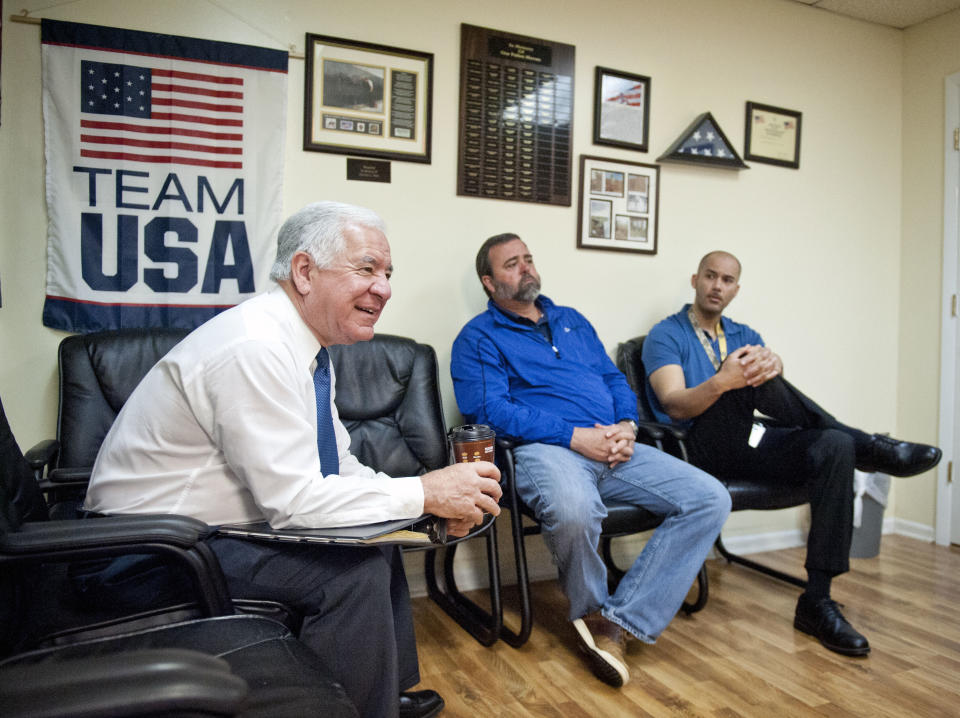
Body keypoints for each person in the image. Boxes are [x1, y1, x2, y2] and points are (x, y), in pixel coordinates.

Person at [84, 201, 502, 718]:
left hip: (210, 530)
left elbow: (338, 467)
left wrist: (421, 512)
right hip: (144, 552)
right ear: (305, 272)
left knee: (381, 535)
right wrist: (427, 490)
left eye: (388, 273)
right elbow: (296, 502)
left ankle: (379, 692)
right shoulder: (254, 347)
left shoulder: (303, 348)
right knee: (351, 572)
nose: (385, 288)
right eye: (367, 268)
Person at [450, 233, 731, 688]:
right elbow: (489, 412)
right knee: (576, 510)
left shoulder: (572, 320)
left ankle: (618, 620)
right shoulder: (477, 338)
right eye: (510, 264)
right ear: (488, 282)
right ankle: (593, 611)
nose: (525, 268)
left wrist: (627, 426)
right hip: (546, 450)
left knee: (710, 498)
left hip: (613, 443)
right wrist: (574, 437)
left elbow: (613, 377)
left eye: (528, 258)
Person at [642, 250, 942, 658]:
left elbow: (777, 400)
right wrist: (724, 381)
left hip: (748, 439)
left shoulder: (744, 333)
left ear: (736, 289)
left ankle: (817, 601)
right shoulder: (667, 333)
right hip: (695, 446)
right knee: (744, 377)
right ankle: (869, 446)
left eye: (727, 280)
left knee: (832, 446)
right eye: (710, 276)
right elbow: (674, 404)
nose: (717, 286)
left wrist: (775, 364)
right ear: (695, 280)